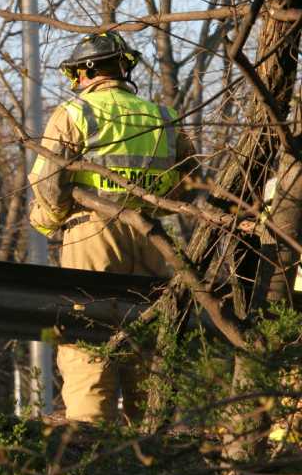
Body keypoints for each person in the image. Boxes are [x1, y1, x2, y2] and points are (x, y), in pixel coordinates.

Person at [27, 32, 195, 423]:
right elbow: (190, 179)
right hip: (152, 235)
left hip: (92, 233)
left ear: (85, 72)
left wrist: (50, 221)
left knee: (88, 333)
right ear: (125, 68)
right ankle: (153, 440)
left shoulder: (75, 113)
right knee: (149, 337)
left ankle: (89, 442)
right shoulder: (163, 117)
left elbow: (49, 183)